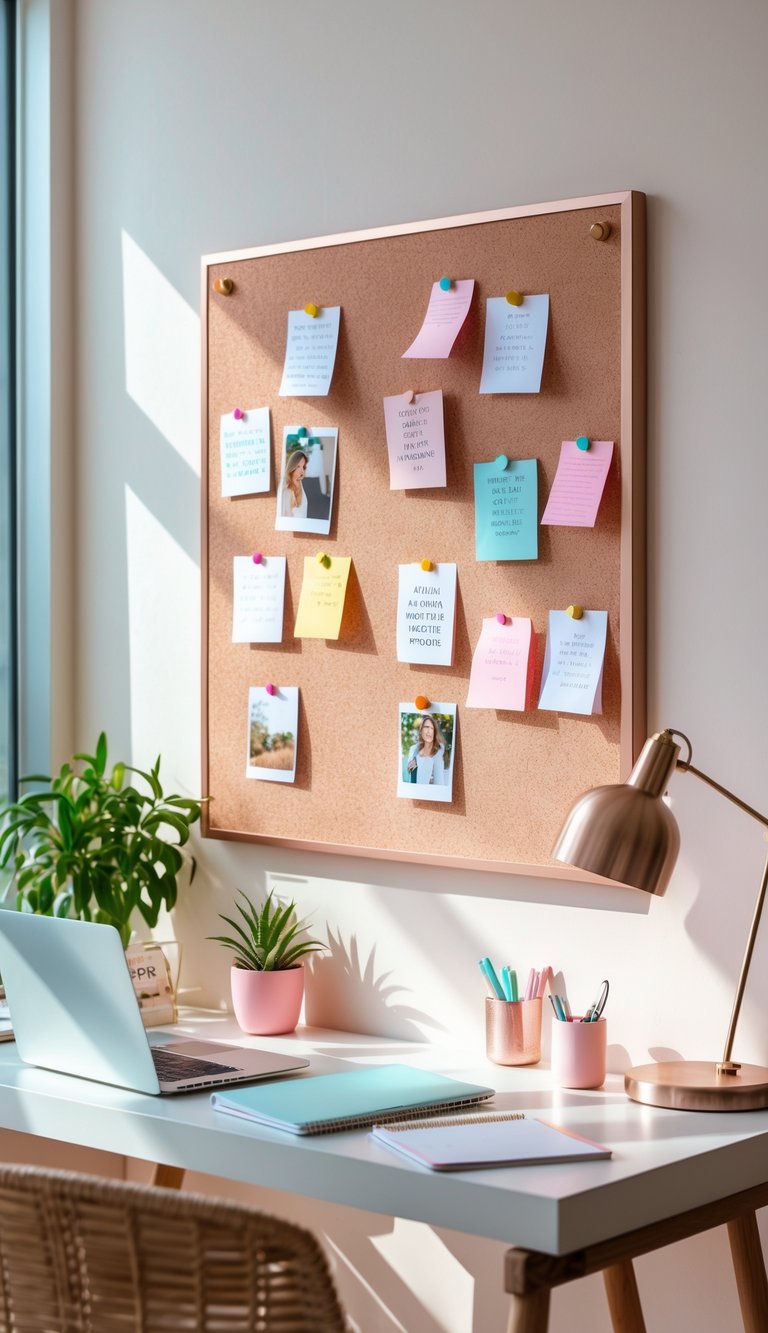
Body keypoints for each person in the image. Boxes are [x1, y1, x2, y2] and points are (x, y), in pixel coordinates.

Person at [406, 714, 446, 785]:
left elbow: (439, 780)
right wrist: (409, 767)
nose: (428, 731)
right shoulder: (413, 749)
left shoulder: (440, 749)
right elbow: (409, 770)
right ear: (420, 731)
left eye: (431, 728)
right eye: (426, 727)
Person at [280, 449, 308, 519]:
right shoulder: (286, 491)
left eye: (303, 467)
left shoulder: (300, 484)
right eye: (298, 466)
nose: (302, 471)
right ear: (292, 467)